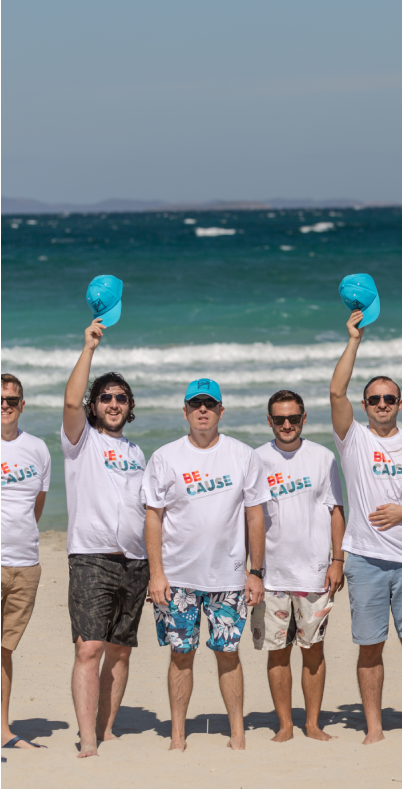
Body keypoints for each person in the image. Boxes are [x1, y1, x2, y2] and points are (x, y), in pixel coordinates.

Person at [143, 379, 268, 751]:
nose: (202, 410)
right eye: (195, 404)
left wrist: (255, 572)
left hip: (228, 578)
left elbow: (255, 516)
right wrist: (156, 573)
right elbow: (153, 517)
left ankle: (238, 733)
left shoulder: (243, 455)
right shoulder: (166, 457)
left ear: (220, 411)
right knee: (181, 654)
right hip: (178, 578)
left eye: (209, 404)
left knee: (228, 653)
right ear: (185, 411)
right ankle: (178, 736)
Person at [329, 308, 402, 745]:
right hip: (366, 559)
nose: (383, 405)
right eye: (375, 400)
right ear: (366, 406)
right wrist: (354, 340)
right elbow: (336, 392)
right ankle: (374, 727)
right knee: (369, 647)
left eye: (390, 399)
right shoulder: (353, 438)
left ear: (400, 404)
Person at [61, 320, 149, 757]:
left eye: (120, 398)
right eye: (105, 398)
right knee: (89, 647)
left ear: (129, 405)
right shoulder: (81, 441)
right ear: (94, 406)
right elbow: (69, 399)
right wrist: (89, 348)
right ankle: (88, 738)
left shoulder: (137, 452)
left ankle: (108, 726)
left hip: (135, 561)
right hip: (92, 557)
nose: (113, 404)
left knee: (120, 650)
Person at [252, 390, 345, 743]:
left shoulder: (323, 458)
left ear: (304, 419)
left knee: (313, 650)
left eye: (293, 418)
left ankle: (312, 723)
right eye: (279, 419)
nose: (286, 425)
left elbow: (337, 511)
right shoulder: (256, 459)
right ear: (269, 421)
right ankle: (285, 725)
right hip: (271, 575)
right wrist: (251, 570)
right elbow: (250, 519)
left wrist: (337, 561)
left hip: (315, 573)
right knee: (278, 652)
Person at [1, 373, 51, 750]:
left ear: (22, 405)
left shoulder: (38, 450)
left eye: (12, 400)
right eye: (0, 400)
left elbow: (35, 508)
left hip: (25, 565)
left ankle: (3, 731)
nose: (5, 406)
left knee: (4, 650)